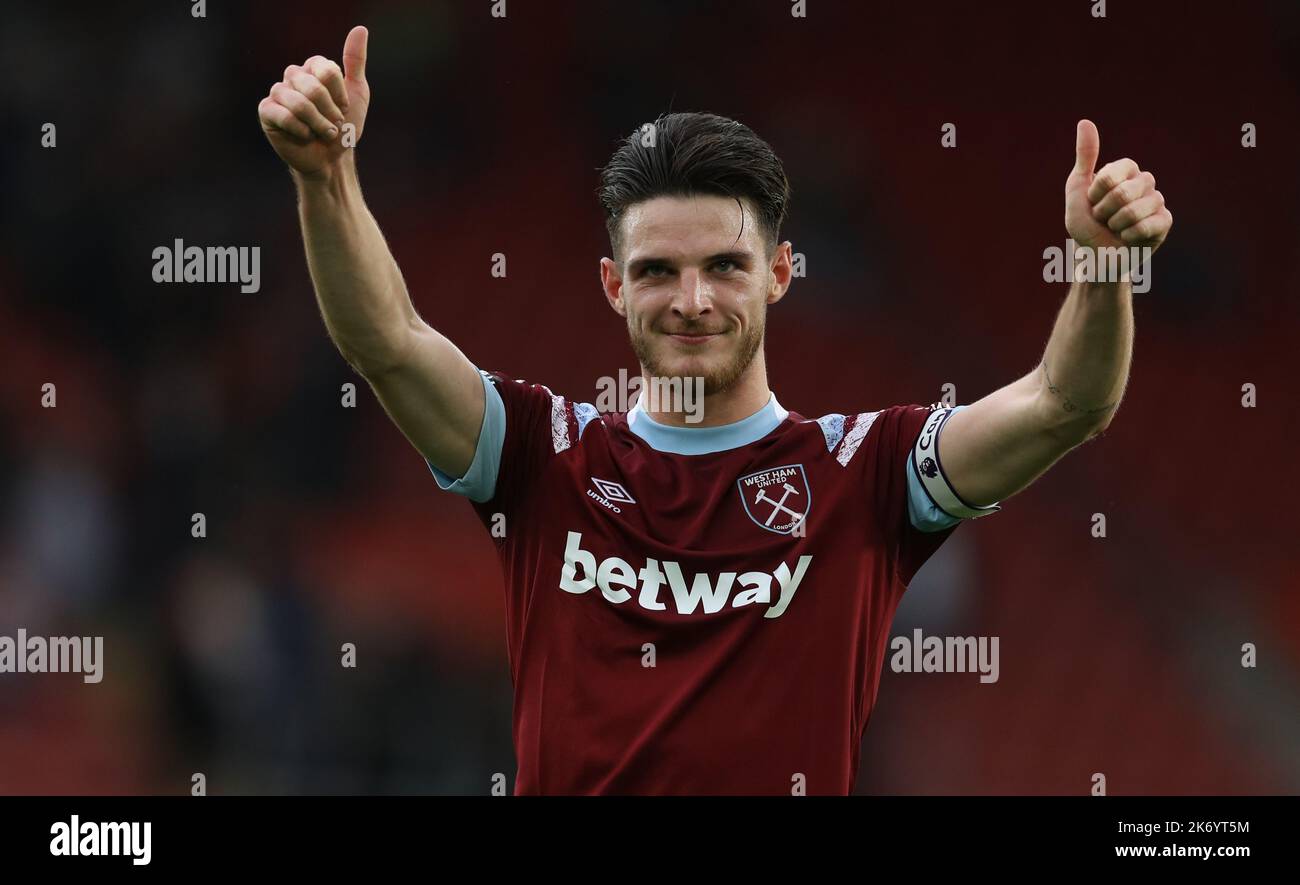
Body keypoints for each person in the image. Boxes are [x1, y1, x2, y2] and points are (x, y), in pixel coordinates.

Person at [258, 26, 1172, 795]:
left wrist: (1100, 268)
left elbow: (1065, 404)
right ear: (615, 287)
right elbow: (386, 339)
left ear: (778, 274)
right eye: (657, 270)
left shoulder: (868, 471)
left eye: (725, 266)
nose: (691, 299)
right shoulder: (541, 454)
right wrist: (325, 177)